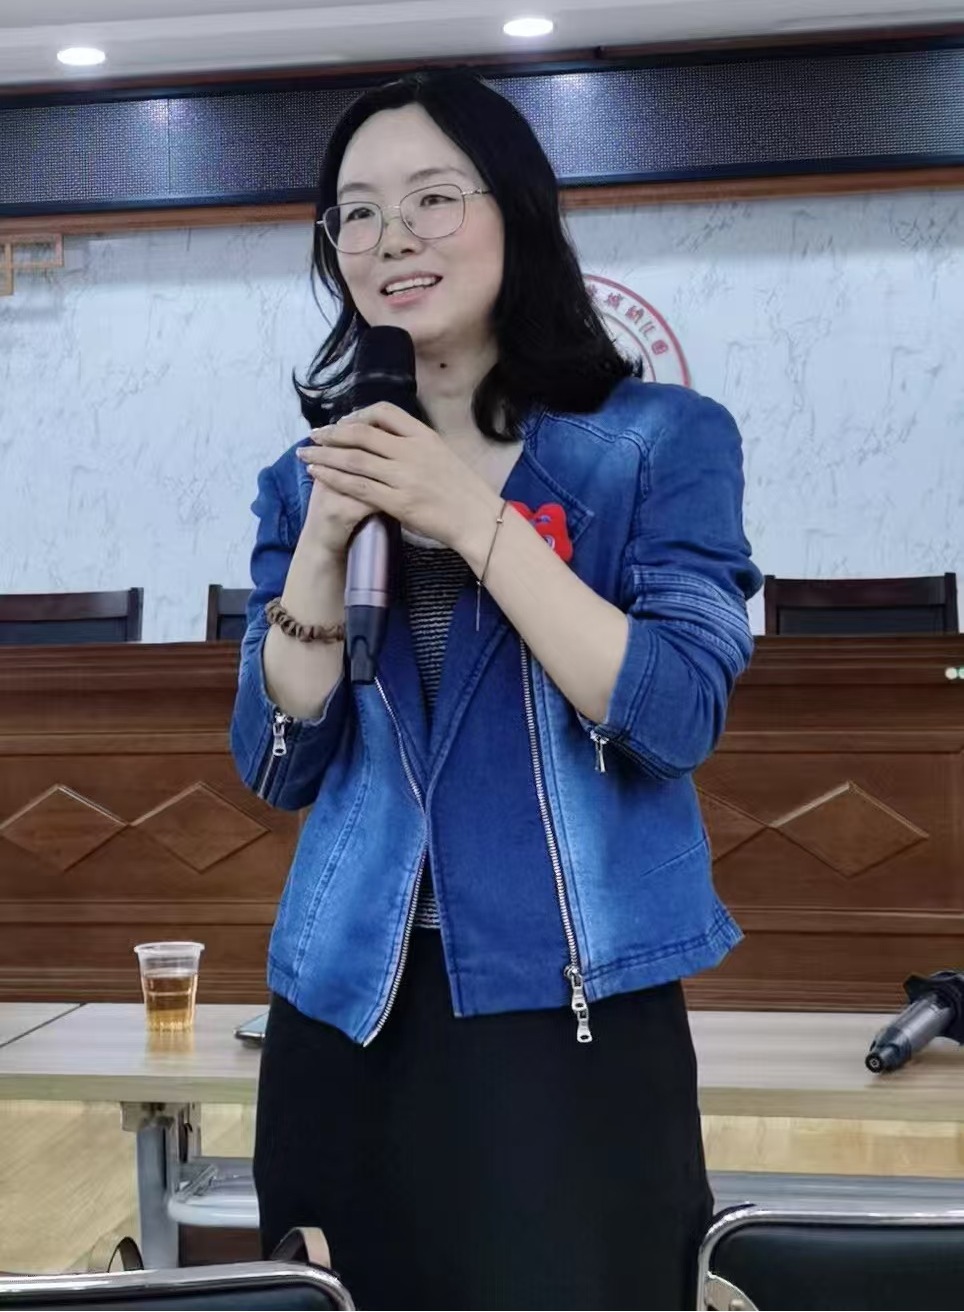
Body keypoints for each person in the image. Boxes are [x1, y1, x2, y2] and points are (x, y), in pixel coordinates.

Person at [230, 68, 762, 1312]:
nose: (391, 238)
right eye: (358, 213)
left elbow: (675, 714)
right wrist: (321, 544)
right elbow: (276, 760)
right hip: (343, 1005)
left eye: (432, 198)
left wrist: (471, 516)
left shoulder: (658, 442)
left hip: (567, 1010)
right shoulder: (307, 472)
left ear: (515, 209)